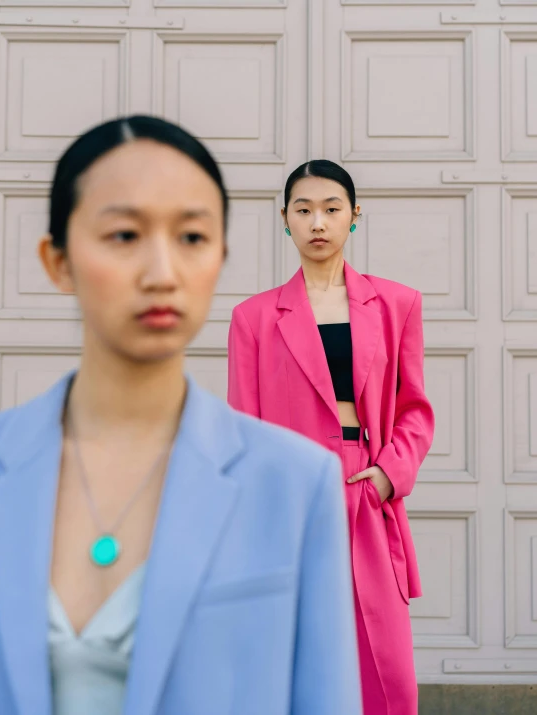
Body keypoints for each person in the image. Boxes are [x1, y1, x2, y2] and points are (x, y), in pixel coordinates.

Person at [0, 120, 362, 715]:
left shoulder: (296, 483)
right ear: (58, 262)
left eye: (192, 237)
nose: (161, 272)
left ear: (220, 257)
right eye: (124, 234)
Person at [228, 159, 435, 715]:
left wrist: (390, 477)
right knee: (298, 658)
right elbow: (244, 432)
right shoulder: (252, 317)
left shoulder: (397, 304)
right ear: (285, 220)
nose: (318, 222)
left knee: (385, 665)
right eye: (304, 210)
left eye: (331, 209)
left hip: (366, 484)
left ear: (353, 217)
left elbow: (414, 410)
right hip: (291, 496)